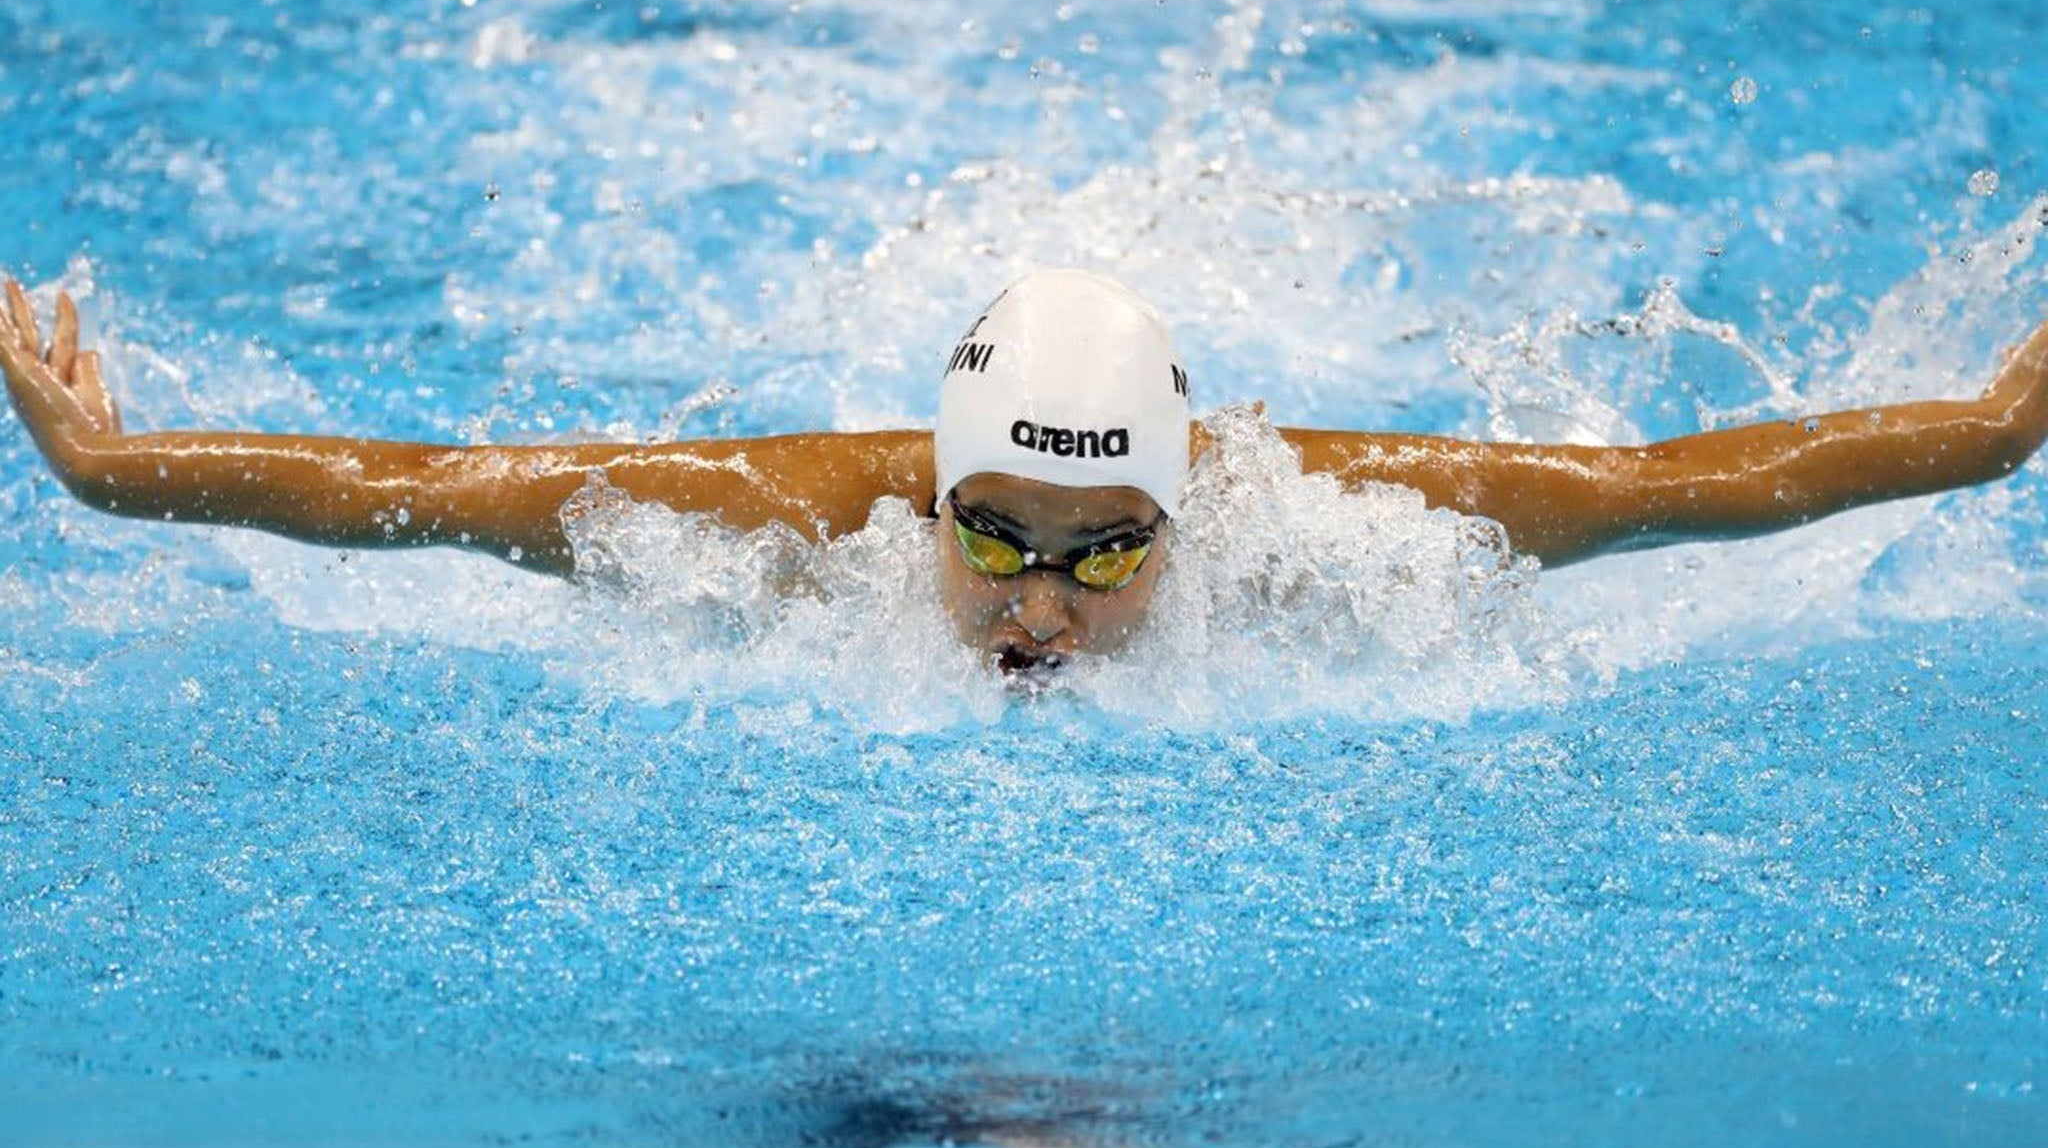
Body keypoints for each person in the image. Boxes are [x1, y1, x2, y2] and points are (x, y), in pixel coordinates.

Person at [5, 269, 2046, 675]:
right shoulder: (789, 522)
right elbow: (416, 483)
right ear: (930, 493)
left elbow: (1693, 480)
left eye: (1104, 551)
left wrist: (1998, 428)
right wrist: (105, 470)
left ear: (1188, 507)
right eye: (993, 533)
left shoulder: (1318, 507)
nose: (1041, 605)